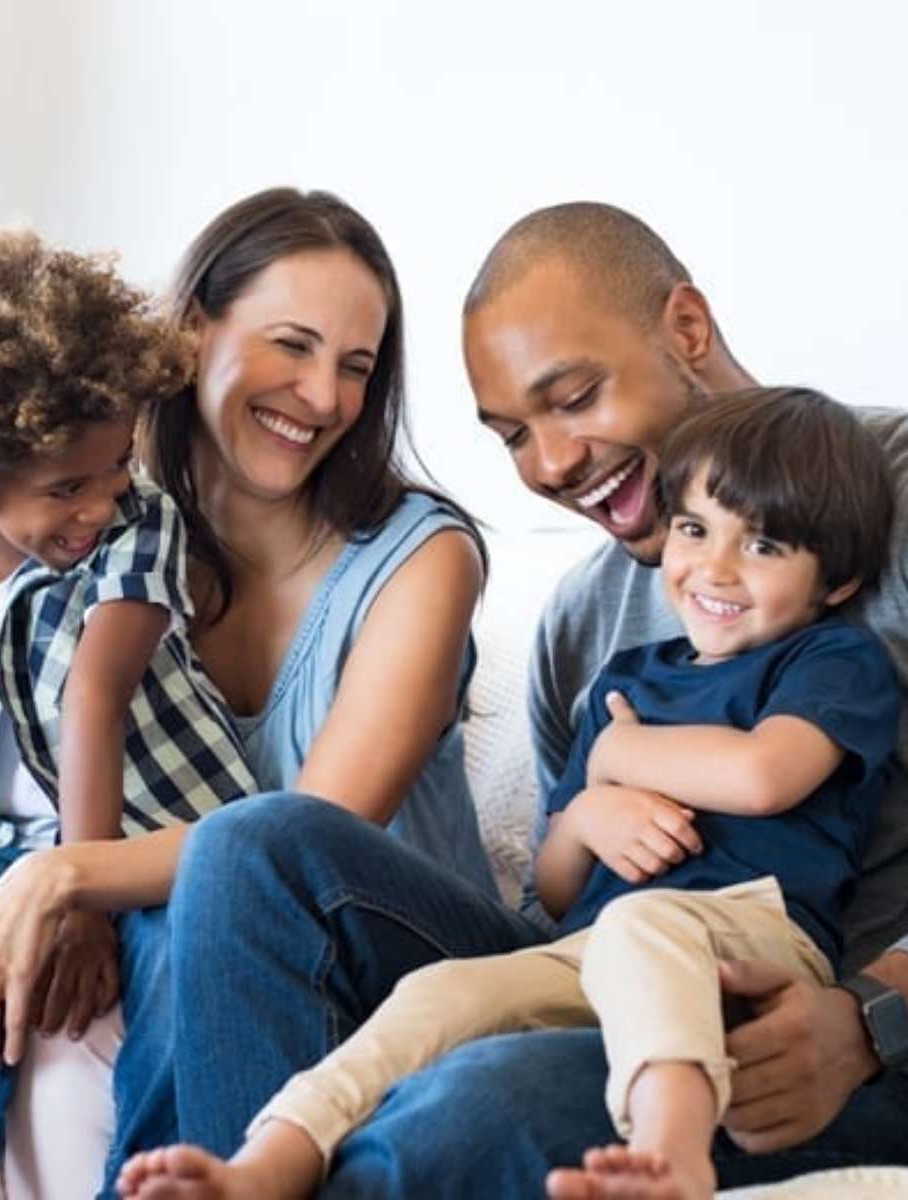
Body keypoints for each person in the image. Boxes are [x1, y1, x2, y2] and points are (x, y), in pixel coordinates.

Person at [124, 202, 908, 1197]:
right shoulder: (585, 625)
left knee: (467, 1105)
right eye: (511, 437)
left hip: (804, 1011)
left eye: (574, 396)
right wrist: (589, 810)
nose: (550, 465)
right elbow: (562, 897)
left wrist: (874, 1020)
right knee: (254, 846)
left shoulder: (889, 494)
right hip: (609, 966)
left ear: (688, 331)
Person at [0, 188, 520, 1198]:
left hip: (383, 951)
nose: (323, 396)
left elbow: (307, 837)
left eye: (356, 366)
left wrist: (61, 877)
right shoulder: (96, 528)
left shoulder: (420, 560)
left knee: (205, 900)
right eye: (292, 345)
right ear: (188, 336)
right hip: (206, 927)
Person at [0, 227, 259, 1196]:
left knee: (174, 961)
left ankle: (154, 1182)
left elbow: (94, 697)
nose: (100, 501)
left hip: (166, 835)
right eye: (66, 487)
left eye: (116, 465)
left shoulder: (136, 523)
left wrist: (79, 894)